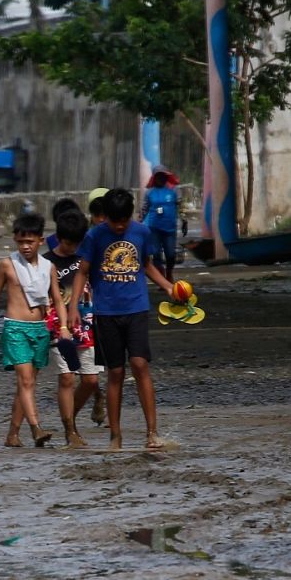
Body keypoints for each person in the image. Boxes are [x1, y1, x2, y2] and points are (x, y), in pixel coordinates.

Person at [69, 188, 177, 451]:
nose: (118, 227)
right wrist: (73, 307)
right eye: (113, 221)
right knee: (115, 372)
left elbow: (146, 265)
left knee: (140, 364)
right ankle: (115, 435)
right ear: (105, 216)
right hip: (106, 312)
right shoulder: (95, 236)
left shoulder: (141, 232)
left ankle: (152, 433)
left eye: (123, 221)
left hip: (136, 308)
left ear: (130, 216)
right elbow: (82, 272)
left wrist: (168, 287)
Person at [0, 212, 68, 448]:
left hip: (40, 329)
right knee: (26, 381)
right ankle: (36, 428)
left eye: (30, 242)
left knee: (26, 384)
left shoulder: (48, 267)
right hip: (15, 328)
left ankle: (12, 435)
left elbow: (57, 299)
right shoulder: (8, 264)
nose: (25, 247)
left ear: (41, 240)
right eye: (20, 242)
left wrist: (65, 327)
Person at [44, 208, 101, 448]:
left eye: (77, 244)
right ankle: (70, 430)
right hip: (58, 325)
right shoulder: (46, 262)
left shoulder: (87, 257)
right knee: (67, 378)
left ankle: (70, 417)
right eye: (68, 244)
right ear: (59, 239)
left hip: (88, 324)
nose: (73, 249)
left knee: (90, 380)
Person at [139, 166, 180, 278]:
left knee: (170, 254)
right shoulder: (149, 193)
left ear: (166, 177)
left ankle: (169, 273)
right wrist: (139, 223)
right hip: (154, 229)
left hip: (170, 229)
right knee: (156, 254)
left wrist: (184, 220)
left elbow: (181, 206)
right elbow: (144, 209)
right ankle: (161, 277)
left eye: (162, 176)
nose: (160, 178)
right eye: (158, 176)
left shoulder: (174, 191)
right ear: (154, 177)